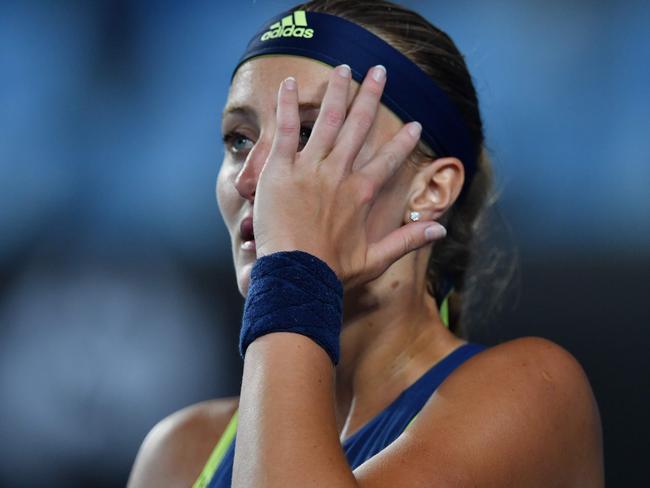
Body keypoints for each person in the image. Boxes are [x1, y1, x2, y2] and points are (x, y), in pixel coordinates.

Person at [128, 1, 604, 486]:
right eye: (239, 141)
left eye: (310, 134)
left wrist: (294, 274)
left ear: (431, 189)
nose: (256, 179)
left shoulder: (532, 393)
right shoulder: (179, 453)